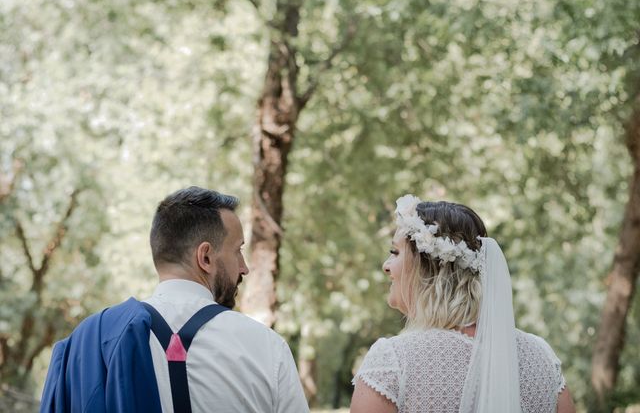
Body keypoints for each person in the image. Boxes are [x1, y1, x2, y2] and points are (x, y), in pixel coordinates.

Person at [41, 186, 309, 413]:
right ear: (205, 257)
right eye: (238, 251)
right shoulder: (267, 348)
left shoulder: (92, 342)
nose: (244, 268)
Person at [351, 195, 576, 413]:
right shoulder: (541, 358)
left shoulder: (392, 362)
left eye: (395, 252)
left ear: (429, 268)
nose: (386, 266)